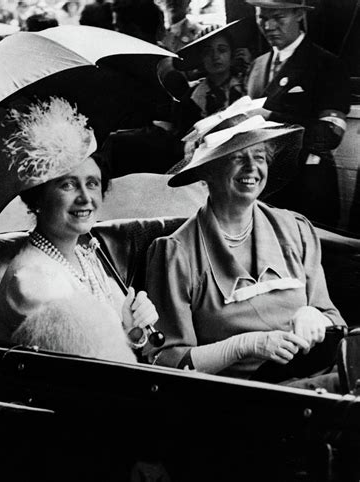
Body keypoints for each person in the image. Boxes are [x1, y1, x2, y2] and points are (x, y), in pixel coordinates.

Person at [145, 106, 346, 392]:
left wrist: (314, 315)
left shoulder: (295, 229)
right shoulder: (177, 253)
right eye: (238, 158)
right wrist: (244, 346)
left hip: (317, 382)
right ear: (209, 171)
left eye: (259, 157)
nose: (252, 168)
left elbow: (334, 321)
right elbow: (166, 362)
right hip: (241, 402)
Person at [0, 97, 159, 362]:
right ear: (38, 199)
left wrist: (133, 328)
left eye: (92, 183)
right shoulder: (32, 281)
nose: (85, 198)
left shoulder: (85, 255)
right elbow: (101, 369)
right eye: (68, 185)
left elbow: (118, 349)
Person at [245, 0, 351, 228]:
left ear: (299, 15)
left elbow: (329, 135)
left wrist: (270, 117)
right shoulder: (256, 67)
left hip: (307, 191)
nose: (270, 26)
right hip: (261, 192)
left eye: (279, 18)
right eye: (262, 18)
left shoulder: (327, 65)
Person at [171, 20, 251, 137]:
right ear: (201, 58)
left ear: (232, 54)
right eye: (208, 52)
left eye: (222, 50)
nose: (215, 57)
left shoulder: (246, 86)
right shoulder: (193, 98)